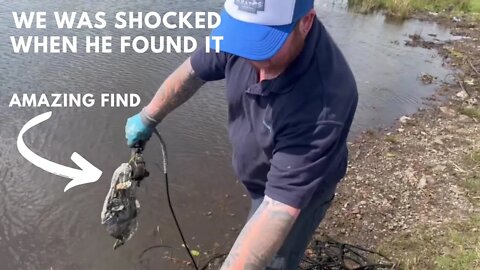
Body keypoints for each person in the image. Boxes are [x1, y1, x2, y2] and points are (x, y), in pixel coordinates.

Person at [125, 0, 358, 269]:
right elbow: (193, 71)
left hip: (299, 194)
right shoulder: (241, 37)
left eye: (262, 43)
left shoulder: (324, 103)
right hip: (261, 177)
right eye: (241, 38)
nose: (248, 54)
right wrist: (149, 116)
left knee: (276, 261)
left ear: (305, 22)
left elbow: (277, 209)